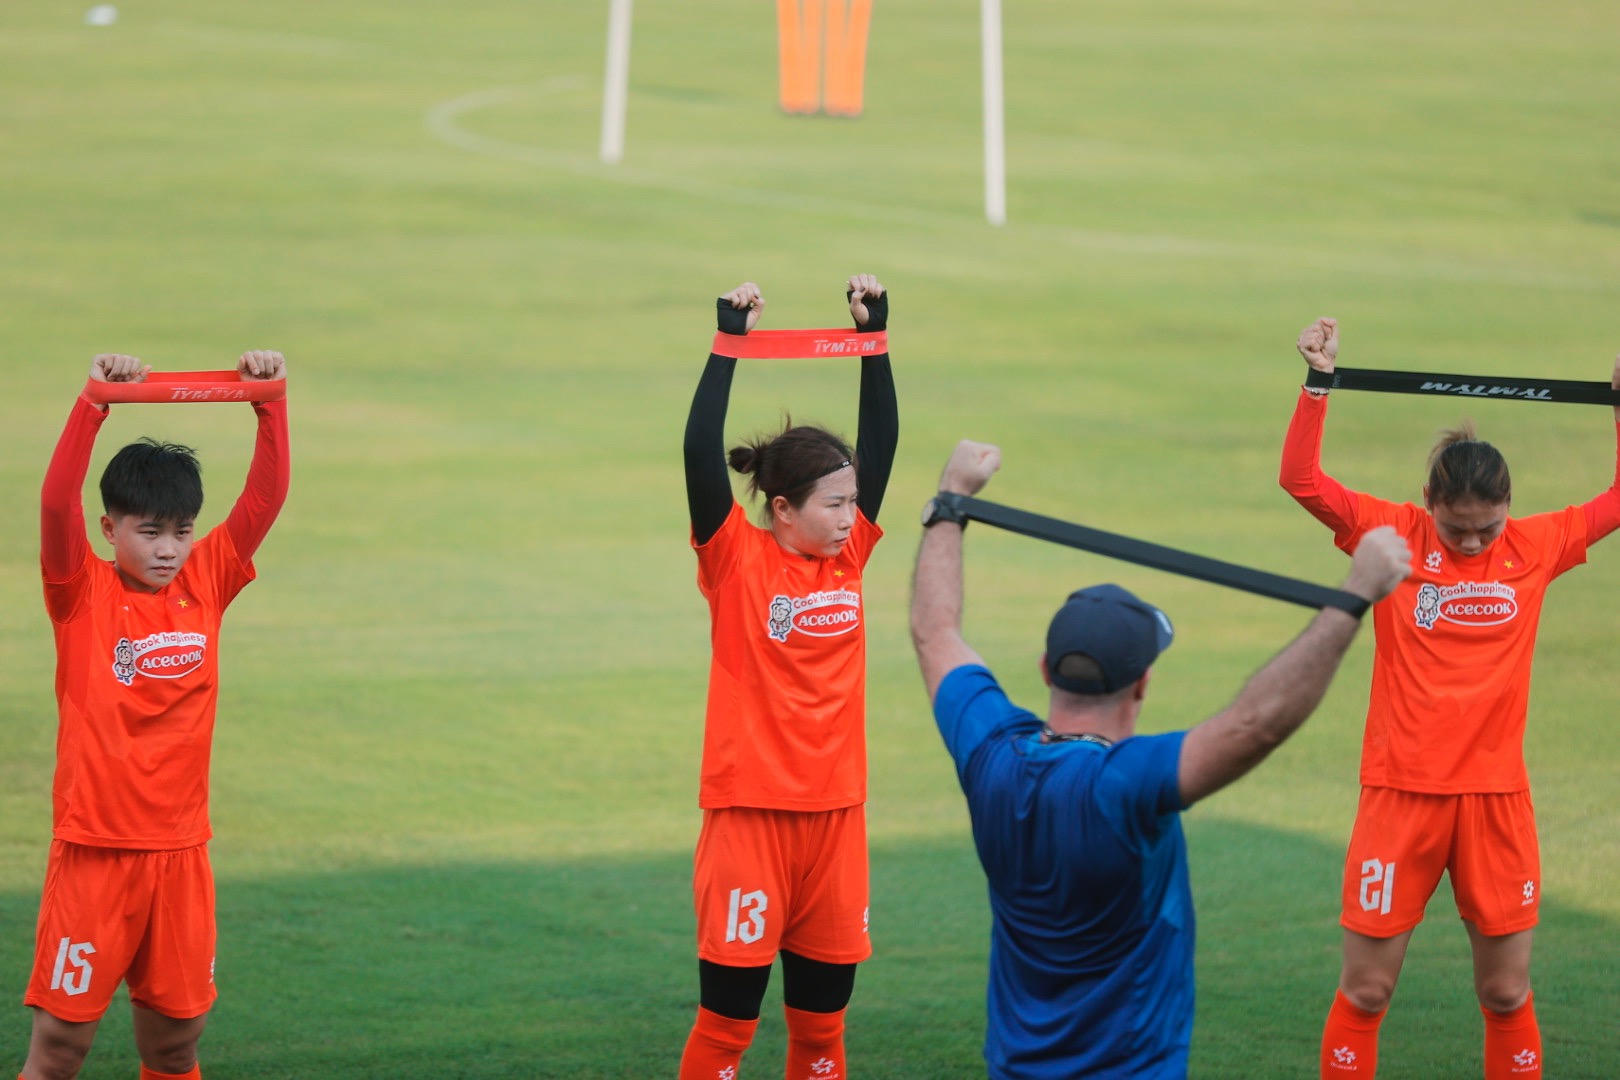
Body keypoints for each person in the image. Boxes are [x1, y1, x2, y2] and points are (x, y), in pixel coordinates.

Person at [908, 439, 1411, 1079]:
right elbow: (1254, 725)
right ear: (1142, 683)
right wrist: (1355, 595)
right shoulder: (1126, 787)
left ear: (1046, 669)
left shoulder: (991, 755)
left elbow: (935, 632)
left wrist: (951, 500)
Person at [1283, 318, 1620, 1079]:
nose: (1471, 544)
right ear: (1428, 501)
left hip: (1495, 801)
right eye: (1457, 529)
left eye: (1486, 530)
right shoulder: (1392, 534)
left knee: (1505, 993)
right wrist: (1317, 384)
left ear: (1510, 507)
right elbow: (1303, 481)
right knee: (1366, 991)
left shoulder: (1538, 544)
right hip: (1399, 795)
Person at [18, 352, 290, 1080]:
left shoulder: (209, 577)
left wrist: (270, 404)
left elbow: (265, 501)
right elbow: (54, 503)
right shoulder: (79, 592)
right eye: (150, 532)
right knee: (59, 1051)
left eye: (181, 531)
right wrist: (94, 404)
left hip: (181, 857)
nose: (169, 550)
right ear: (110, 529)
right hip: (94, 854)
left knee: (173, 1049)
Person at [678, 277, 897, 1080]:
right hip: (751, 822)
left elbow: (883, 441)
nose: (849, 517)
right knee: (727, 1031)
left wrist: (874, 341)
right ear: (781, 509)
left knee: (822, 1032)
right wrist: (728, 343)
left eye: (853, 502)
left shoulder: (850, 555)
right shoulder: (734, 560)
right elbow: (697, 450)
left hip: (836, 824)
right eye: (833, 504)